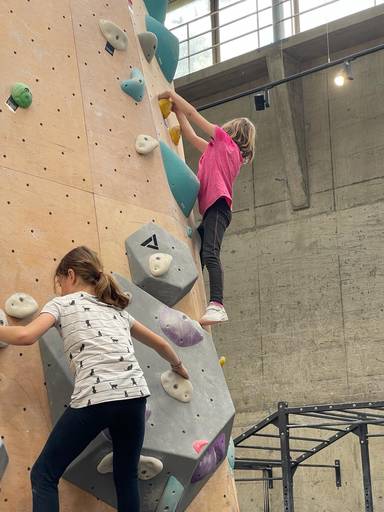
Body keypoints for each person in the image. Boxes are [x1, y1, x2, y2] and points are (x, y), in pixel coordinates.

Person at [0, 246, 189, 512]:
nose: (61, 290)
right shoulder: (118, 311)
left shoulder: (62, 304)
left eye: (60, 284)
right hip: (134, 398)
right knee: (126, 477)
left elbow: (26, 336)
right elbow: (159, 343)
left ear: (71, 275)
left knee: (44, 474)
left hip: (97, 398)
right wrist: (178, 365)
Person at [158, 90, 256, 326]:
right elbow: (190, 136)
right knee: (197, 256)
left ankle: (218, 305)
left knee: (211, 253)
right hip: (213, 210)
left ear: (231, 131)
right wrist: (176, 111)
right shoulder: (219, 150)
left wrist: (174, 96)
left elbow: (194, 115)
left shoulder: (225, 142)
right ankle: (187, 299)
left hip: (218, 207)